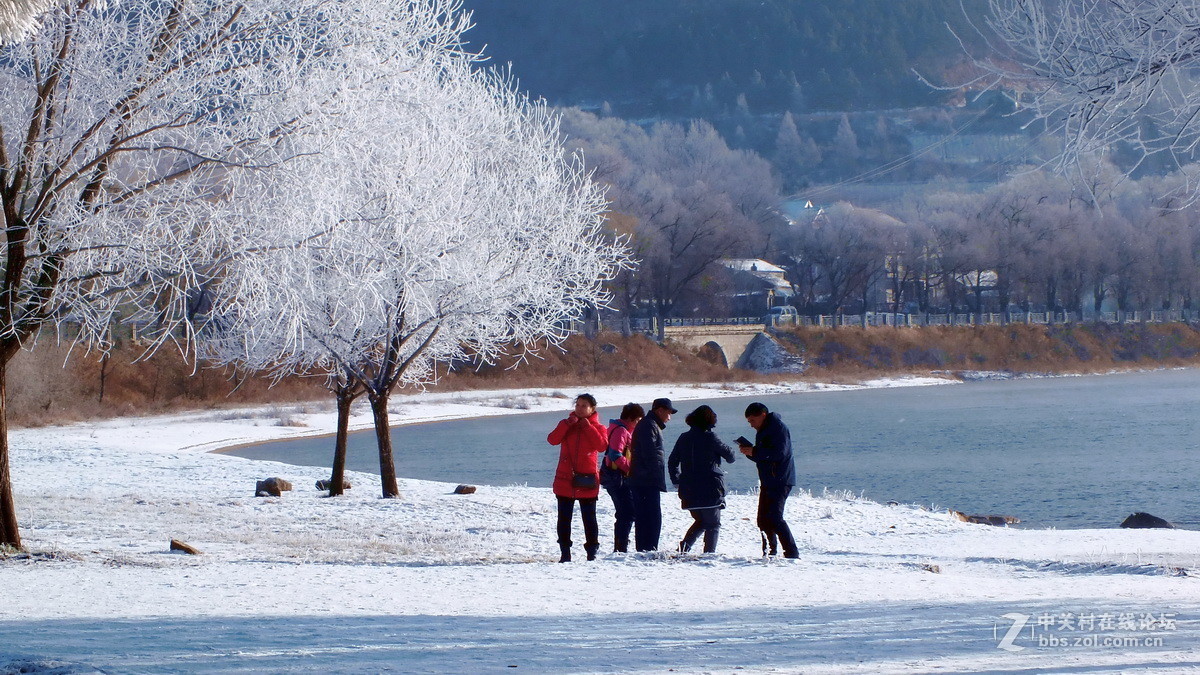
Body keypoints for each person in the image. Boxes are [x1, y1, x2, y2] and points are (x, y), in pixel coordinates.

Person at [547, 393, 607, 562]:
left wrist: (588, 427)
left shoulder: (599, 427)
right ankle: (565, 553)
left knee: (589, 518)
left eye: (584, 406)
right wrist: (567, 425)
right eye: (577, 405)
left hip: (587, 480)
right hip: (565, 479)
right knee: (564, 519)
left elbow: (602, 446)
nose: (580, 409)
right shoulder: (566, 424)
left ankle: (592, 552)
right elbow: (552, 440)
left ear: (592, 409)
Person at [668, 405, 735, 554]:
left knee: (701, 521)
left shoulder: (683, 438)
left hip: (689, 489)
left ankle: (682, 550)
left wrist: (677, 480)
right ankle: (708, 555)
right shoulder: (711, 437)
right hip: (710, 488)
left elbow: (672, 461)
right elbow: (730, 457)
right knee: (713, 524)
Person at [738, 401, 799, 558]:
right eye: (749, 421)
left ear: (763, 415)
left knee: (775, 517)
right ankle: (770, 552)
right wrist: (750, 452)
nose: (751, 425)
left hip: (780, 479)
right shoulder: (763, 429)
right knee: (763, 520)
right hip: (768, 480)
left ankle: (792, 553)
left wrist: (755, 452)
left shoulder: (778, 428)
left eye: (752, 420)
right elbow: (764, 456)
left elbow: (779, 453)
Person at [627, 397, 677, 551]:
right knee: (651, 518)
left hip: (644, 479)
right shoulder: (649, 425)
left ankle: (646, 549)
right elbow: (650, 455)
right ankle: (648, 549)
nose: (669, 417)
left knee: (647, 517)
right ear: (660, 411)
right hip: (645, 481)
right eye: (669, 413)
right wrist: (656, 478)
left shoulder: (650, 424)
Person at [601, 402, 644, 553]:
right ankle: (620, 548)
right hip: (617, 478)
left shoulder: (618, 428)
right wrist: (630, 469)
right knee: (628, 512)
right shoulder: (621, 431)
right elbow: (615, 454)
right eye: (638, 420)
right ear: (631, 419)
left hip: (615, 477)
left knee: (624, 512)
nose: (638, 424)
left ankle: (620, 547)